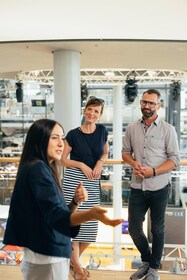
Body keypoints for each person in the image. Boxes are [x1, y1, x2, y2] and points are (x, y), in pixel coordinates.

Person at [3, 118, 123, 280]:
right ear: (40, 140)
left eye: (62, 138)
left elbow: (53, 213)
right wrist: (92, 214)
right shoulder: (38, 169)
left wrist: (74, 202)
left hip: (43, 255)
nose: (61, 143)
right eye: (54, 138)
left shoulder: (40, 168)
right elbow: (56, 217)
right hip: (47, 256)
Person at [122, 89, 180, 280]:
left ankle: (154, 270)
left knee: (158, 229)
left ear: (159, 106)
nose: (147, 106)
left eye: (151, 103)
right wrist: (133, 163)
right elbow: (125, 152)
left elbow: (174, 159)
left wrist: (153, 171)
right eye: (145, 102)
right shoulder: (131, 128)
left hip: (159, 187)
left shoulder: (167, 129)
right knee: (133, 228)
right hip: (137, 186)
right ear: (141, 103)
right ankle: (147, 262)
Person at [61, 96, 109, 279]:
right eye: (90, 109)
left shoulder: (103, 131)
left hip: (93, 180)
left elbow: (105, 152)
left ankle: (71, 264)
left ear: (100, 115)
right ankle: (78, 269)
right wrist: (81, 165)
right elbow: (63, 160)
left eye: (96, 111)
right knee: (74, 224)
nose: (92, 113)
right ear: (84, 110)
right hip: (74, 180)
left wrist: (99, 162)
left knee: (90, 228)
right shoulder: (73, 134)